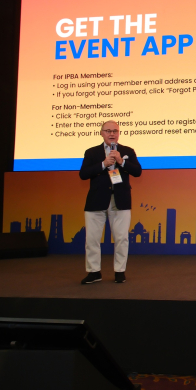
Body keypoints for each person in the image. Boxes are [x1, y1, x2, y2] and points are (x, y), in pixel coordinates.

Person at [79, 120, 142, 284]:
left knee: (121, 238)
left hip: (120, 200)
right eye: (108, 131)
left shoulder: (127, 151)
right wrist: (103, 164)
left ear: (119, 133)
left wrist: (121, 162)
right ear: (101, 133)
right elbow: (83, 174)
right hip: (96, 200)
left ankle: (120, 271)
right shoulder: (92, 152)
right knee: (92, 239)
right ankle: (94, 272)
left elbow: (138, 171)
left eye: (115, 131)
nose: (112, 134)